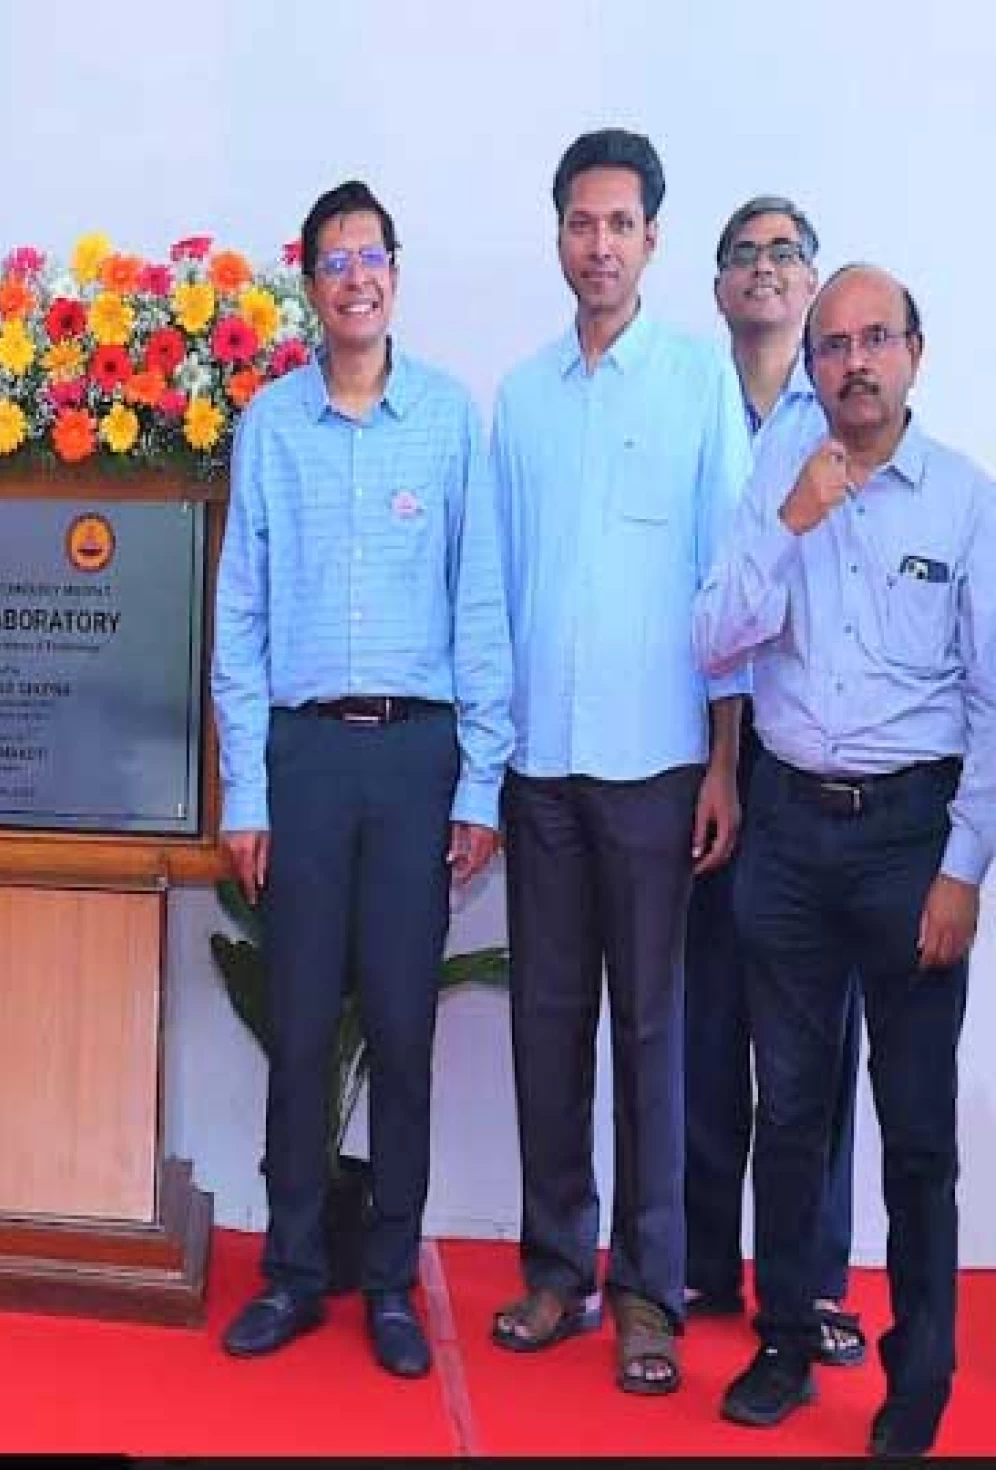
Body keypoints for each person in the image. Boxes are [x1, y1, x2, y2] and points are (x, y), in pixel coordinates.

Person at [212, 183, 511, 1379]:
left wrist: (479, 783)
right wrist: (246, 791)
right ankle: (292, 1273)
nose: (356, 277)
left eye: (371, 255)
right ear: (310, 285)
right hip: (305, 759)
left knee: (397, 1025)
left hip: (414, 755)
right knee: (296, 1027)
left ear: (397, 273)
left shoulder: (447, 421)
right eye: (333, 260)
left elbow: (477, 603)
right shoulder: (271, 425)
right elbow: (240, 620)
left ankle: (389, 1278)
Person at [695, 265, 991, 1457]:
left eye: (878, 340)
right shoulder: (782, 479)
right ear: (810, 367)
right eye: (834, 346)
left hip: (913, 843)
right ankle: (782, 1341)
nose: (854, 363)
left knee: (916, 1128)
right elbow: (713, 635)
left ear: (916, 353)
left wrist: (964, 868)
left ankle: (918, 1373)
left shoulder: (967, 501)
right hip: (791, 832)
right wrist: (792, 525)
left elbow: (991, 702)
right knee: (792, 1111)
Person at [487, 129, 751, 1396]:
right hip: (540, 767)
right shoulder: (522, 398)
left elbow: (733, 596)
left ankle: (650, 1291)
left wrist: (723, 762)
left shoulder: (697, 388)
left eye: (622, 224)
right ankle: (556, 1272)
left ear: (652, 239)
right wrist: (492, 752)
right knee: (547, 1027)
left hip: (656, 766)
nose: (600, 245)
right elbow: (497, 596)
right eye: (581, 223)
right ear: (559, 238)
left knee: (654, 1032)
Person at [684, 196, 865, 1368]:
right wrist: (716, 759)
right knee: (705, 1030)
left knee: (813, 1043)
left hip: (808, 769)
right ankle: (705, 1268)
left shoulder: (846, 416)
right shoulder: (688, 404)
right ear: (715, 287)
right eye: (743, 255)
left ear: (810, 287)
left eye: (784, 254)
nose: (764, 271)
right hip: (700, 757)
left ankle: (816, 1281)